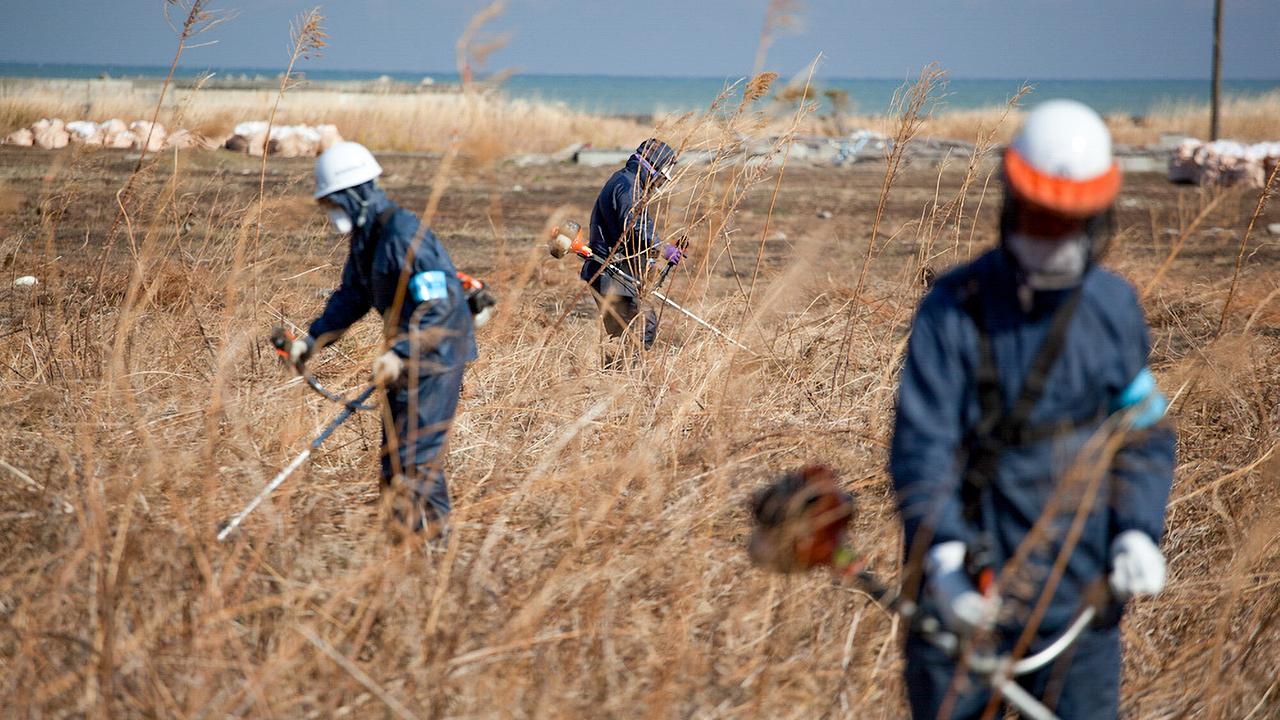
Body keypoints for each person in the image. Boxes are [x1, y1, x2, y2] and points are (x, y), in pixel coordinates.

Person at [888, 100, 1175, 719]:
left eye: (1065, 223)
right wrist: (945, 560)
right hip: (964, 593)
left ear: (1098, 220)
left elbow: (1145, 431)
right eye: (1038, 219)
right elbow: (923, 446)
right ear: (1011, 203)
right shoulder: (951, 309)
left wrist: (1136, 531)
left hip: (1077, 601)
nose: (1049, 238)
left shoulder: (1113, 309)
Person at [282, 141, 477, 541]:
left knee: (416, 459)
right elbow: (352, 296)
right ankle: (401, 546)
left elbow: (438, 305)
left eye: (332, 201)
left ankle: (433, 555)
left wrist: (401, 352)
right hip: (405, 358)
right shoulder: (366, 238)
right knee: (395, 458)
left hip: (436, 355)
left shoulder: (401, 234)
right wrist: (312, 341)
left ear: (354, 194)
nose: (330, 211)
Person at [581, 138, 682, 353]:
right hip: (612, 274)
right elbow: (636, 227)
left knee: (624, 332)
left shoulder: (626, 181)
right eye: (664, 173)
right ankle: (626, 379)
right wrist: (663, 248)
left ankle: (617, 375)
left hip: (613, 274)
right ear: (653, 167)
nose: (665, 180)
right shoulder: (629, 188)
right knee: (642, 325)